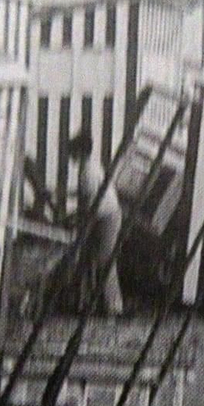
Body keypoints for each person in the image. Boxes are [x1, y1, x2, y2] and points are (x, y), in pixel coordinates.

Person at [70, 130, 125, 315]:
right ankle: (85, 304)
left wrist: (77, 223)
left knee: (104, 260)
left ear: (81, 152)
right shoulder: (90, 166)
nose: (71, 156)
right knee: (87, 259)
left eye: (73, 152)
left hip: (108, 216)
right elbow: (85, 198)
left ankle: (114, 307)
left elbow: (88, 205)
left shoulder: (88, 171)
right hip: (103, 215)